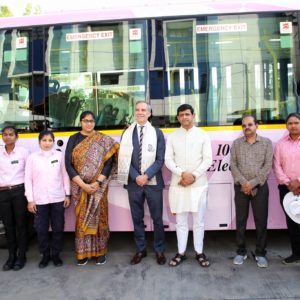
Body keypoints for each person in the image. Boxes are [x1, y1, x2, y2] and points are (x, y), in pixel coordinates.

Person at [65, 111, 119, 266]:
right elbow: (68, 164)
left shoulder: (103, 139)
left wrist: (98, 182)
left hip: (98, 188)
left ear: (95, 122)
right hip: (79, 187)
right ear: (80, 122)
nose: (88, 123)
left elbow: (110, 162)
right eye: (85, 121)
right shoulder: (73, 139)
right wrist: (82, 185)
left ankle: (100, 252)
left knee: (100, 218)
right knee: (81, 221)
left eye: (91, 121)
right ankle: (82, 254)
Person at [118, 101, 166, 265]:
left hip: (153, 183)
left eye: (143, 110)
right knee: (137, 218)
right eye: (137, 110)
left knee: (157, 219)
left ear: (149, 113)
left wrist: (146, 175)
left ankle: (159, 251)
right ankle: (140, 249)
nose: (140, 112)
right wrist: (135, 176)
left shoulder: (157, 133)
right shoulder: (127, 133)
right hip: (133, 183)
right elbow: (123, 158)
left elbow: (160, 159)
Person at [165, 104, 212, 267]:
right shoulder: (172, 136)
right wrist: (182, 173)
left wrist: (194, 175)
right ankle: (181, 252)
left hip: (198, 185)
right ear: (178, 118)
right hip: (179, 184)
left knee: (199, 221)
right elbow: (168, 160)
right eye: (181, 115)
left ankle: (199, 252)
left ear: (193, 115)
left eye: (187, 114)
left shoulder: (203, 135)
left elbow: (207, 159)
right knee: (181, 221)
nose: (184, 117)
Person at [230, 115, 273, 268]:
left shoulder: (267, 143)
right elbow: (233, 165)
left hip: (260, 188)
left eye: (250, 124)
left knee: (261, 221)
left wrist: (253, 183)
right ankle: (241, 251)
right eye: (244, 125)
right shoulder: (236, 144)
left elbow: (268, 166)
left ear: (256, 126)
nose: (246, 127)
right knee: (240, 221)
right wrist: (244, 183)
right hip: (240, 187)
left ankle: (261, 253)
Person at [25, 130, 70, 268]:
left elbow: (65, 176)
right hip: (39, 200)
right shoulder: (32, 158)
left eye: (50, 140)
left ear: (53, 141)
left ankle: (56, 255)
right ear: (39, 142)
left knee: (58, 228)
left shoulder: (59, 156)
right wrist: (30, 200)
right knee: (41, 229)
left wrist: (67, 194)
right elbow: (28, 179)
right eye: (44, 140)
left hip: (58, 198)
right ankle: (45, 255)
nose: (47, 143)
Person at [0, 126, 29, 271]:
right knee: (8, 226)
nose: (8, 137)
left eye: (11, 134)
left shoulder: (24, 152)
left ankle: (21, 256)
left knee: (21, 225)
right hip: (3, 193)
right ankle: (11, 256)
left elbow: (29, 174)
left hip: (19, 192)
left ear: (16, 137)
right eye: (5, 134)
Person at [273, 112, 300, 264]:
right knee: (292, 221)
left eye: (296, 123)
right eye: (290, 123)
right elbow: (276, 166)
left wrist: (298, 182)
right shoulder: (281, 144)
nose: (293, 126)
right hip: (286, 188)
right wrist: (289, 184)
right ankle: (296, 253)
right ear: (286, 126)